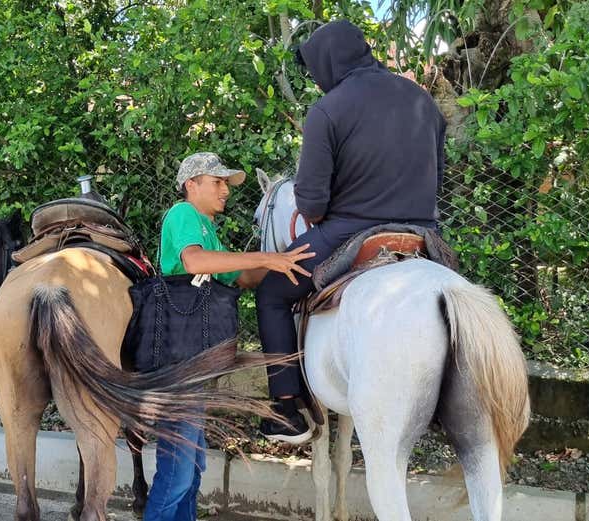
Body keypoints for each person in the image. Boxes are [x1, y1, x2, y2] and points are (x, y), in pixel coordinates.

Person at [256, 19, 447, 444]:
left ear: (327, 61)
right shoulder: (423, 101)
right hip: (423, 236)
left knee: (271, 292)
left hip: (349, 233)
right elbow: (440, 179)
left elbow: (312, 205)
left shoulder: (328, 110)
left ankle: (286, 410)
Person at [143, 151, 315, 521]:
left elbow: (241, 276)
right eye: (217, 182)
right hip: (179, 363)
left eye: (226, 183)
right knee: (177, 474)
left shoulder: (210, 232)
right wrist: (265, 259)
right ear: (192, 185)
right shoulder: (183, 214)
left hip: (196, 361)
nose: (226, 190)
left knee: (191, 470)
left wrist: (287, 260)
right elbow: (195, 263)